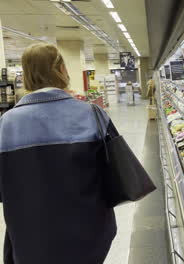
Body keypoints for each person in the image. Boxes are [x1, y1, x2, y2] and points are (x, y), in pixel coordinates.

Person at [0, 43, 116, 263]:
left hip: (32, 238)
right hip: (89, 234)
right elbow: (114, 174)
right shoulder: (92, 115)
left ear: (26, 74)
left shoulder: (5, 124)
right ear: (62, 69)